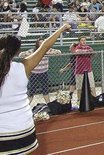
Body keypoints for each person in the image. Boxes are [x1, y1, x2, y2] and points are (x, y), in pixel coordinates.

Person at [0, 23, 70, 154]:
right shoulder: (24, 66)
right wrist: (62, 28)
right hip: (25, 130)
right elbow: (45, 46)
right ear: (17, 52)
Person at [19, 39, 62, 104]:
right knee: (31, 91)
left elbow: (59, 52)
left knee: (45, 90)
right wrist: (33, 54)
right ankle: (27, 105)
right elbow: (21, 54)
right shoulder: (33, 51)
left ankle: (49, 105)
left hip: (44, 73)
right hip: (34, 73)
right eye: (40, 43)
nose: (42, 44)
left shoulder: (47, 49)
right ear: (37, 44)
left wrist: (47, 53)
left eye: (43, 43)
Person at [75, 36, 96, 101]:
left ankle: (94, 99)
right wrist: (87, 51)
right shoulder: (78, 47)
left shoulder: (88, 47)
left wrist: (90, 51)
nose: (84, 42)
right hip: (80, 70)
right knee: (79, 88)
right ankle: (79, 100)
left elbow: (93, 53)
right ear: (79, 41)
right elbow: (77, 51)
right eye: (82, 40)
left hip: (88, 70)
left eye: (84, 40)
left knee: (92, 87)